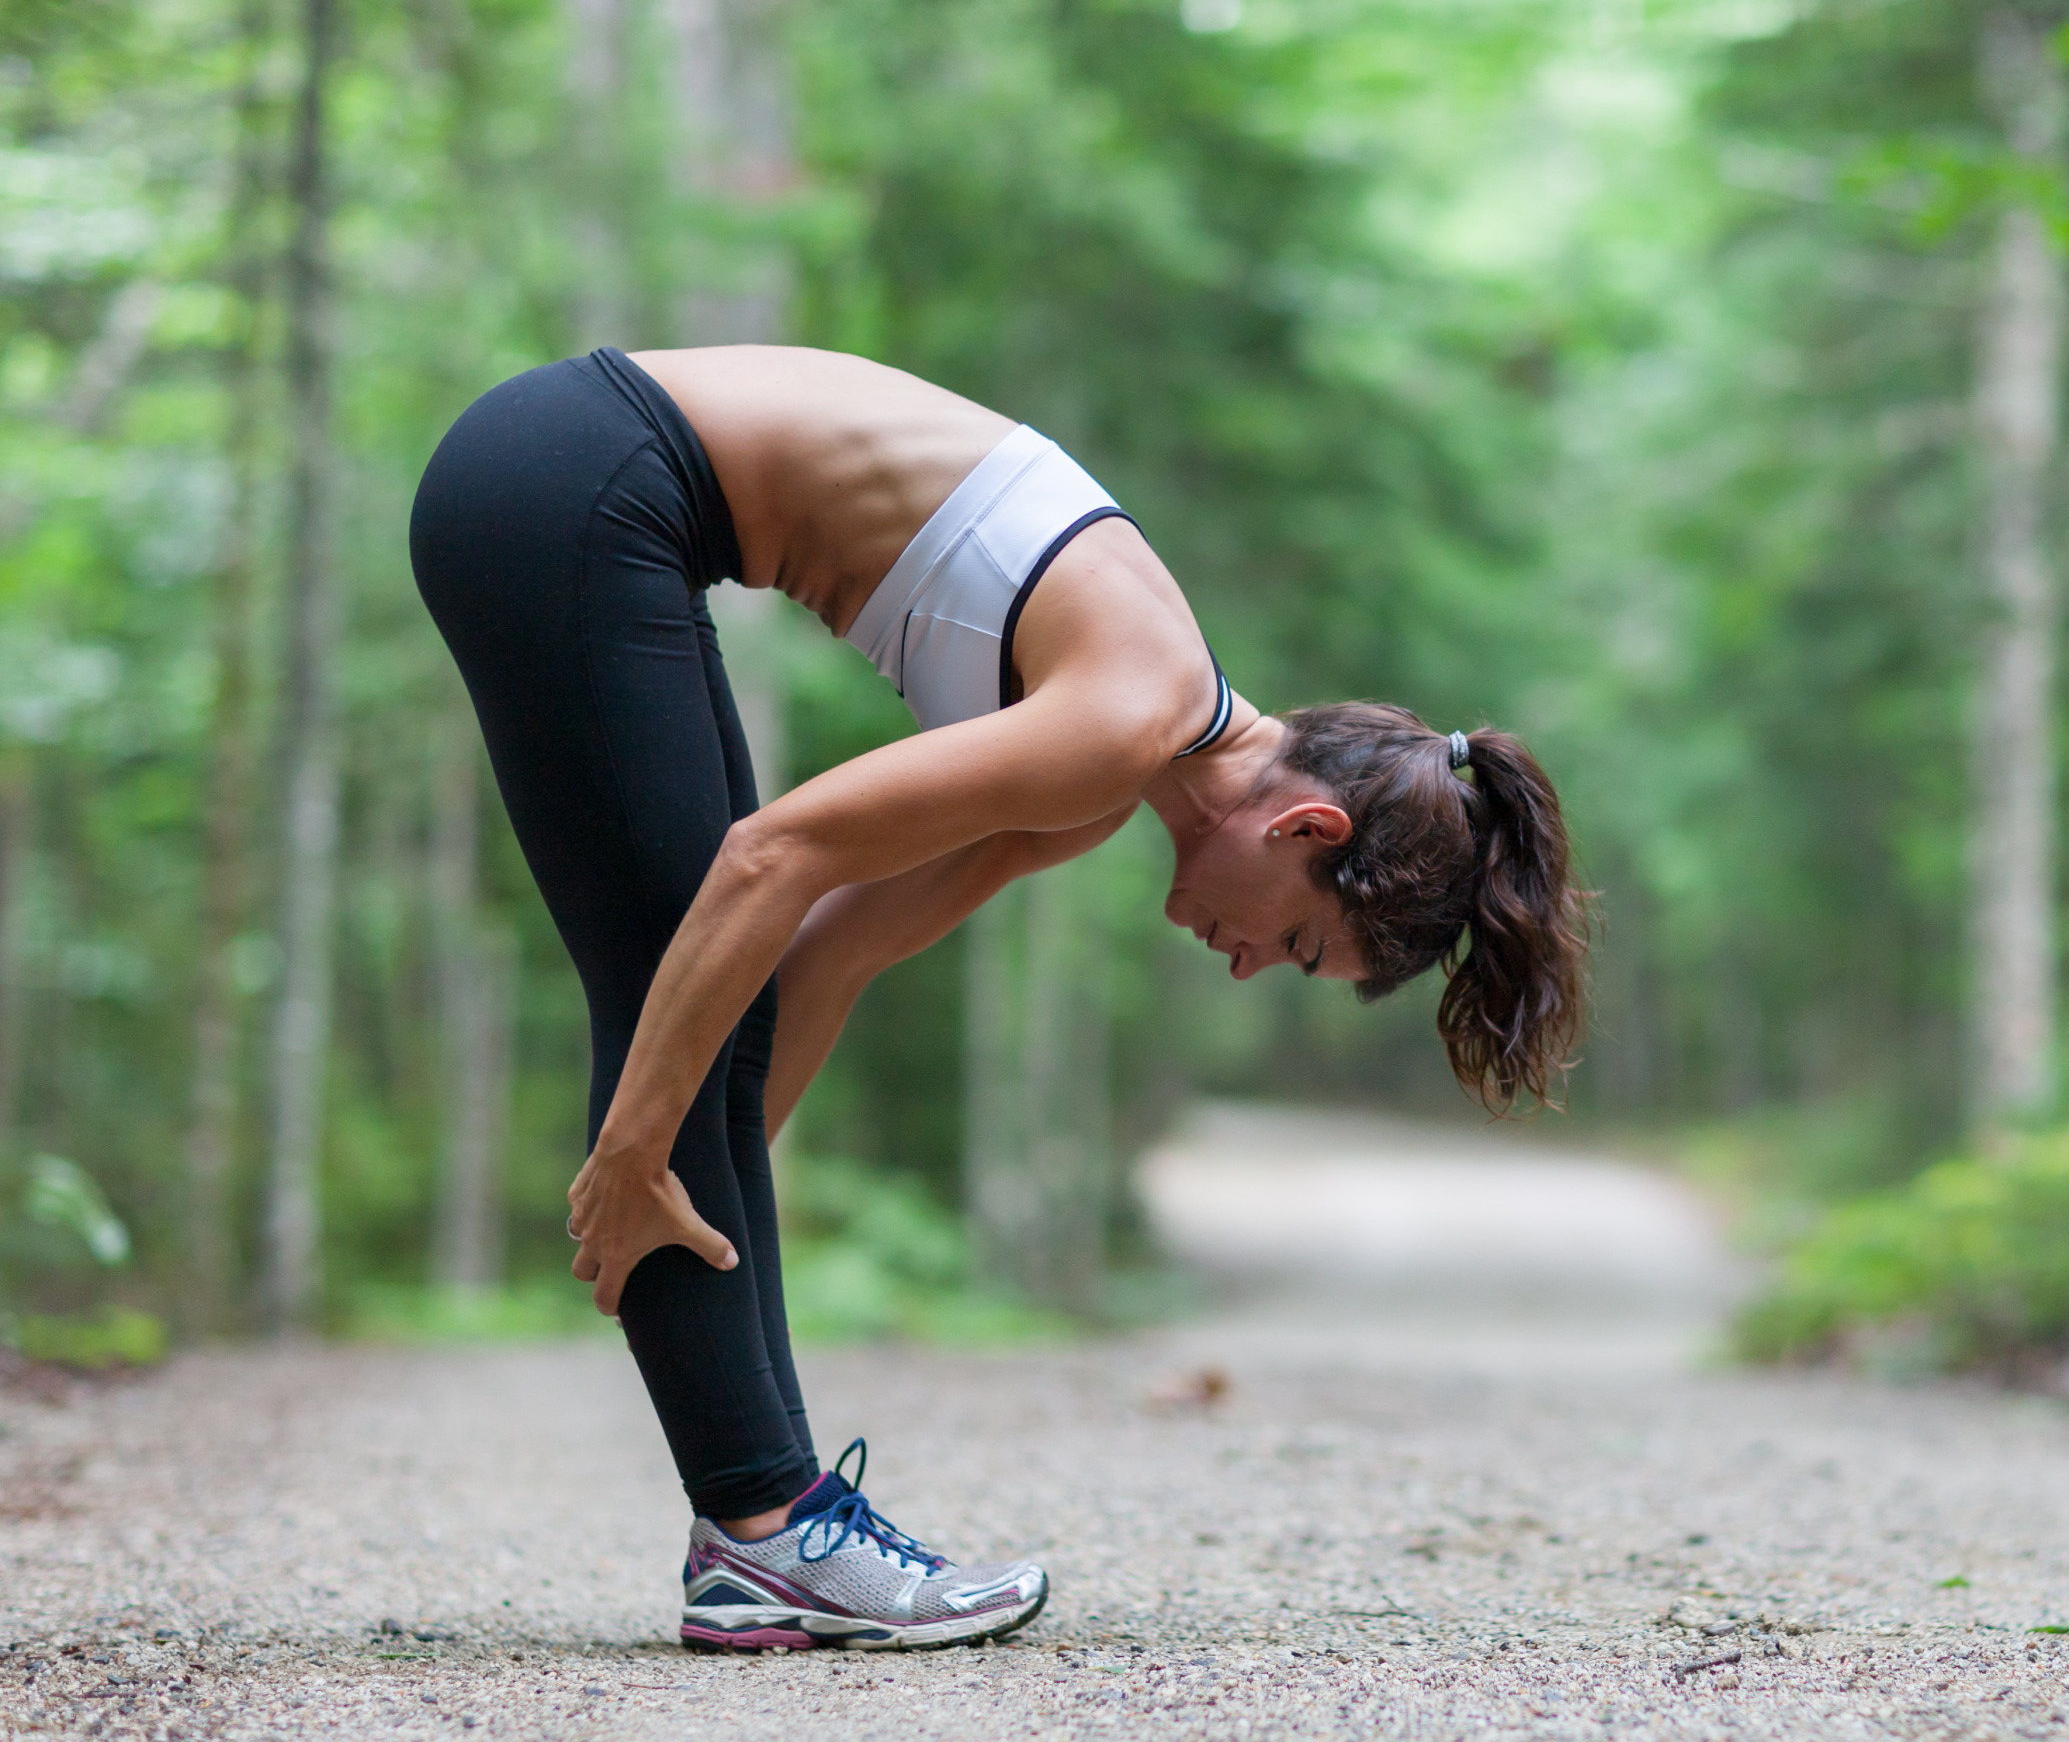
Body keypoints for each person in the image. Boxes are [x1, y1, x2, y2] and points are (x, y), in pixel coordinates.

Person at [408, 344, 1590, 1652]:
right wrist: (638, 1148)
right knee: (674, 974)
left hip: (579, 486)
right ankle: (766, 1535)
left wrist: (717, 1200)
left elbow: (822, 956)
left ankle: (765, 1533)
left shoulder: (1098, 776)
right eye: (1302, 946)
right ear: (1307, 827)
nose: (1253, 965)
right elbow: (772, 858)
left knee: (703, 1001)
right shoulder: (1128, 714)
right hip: (578, 475)